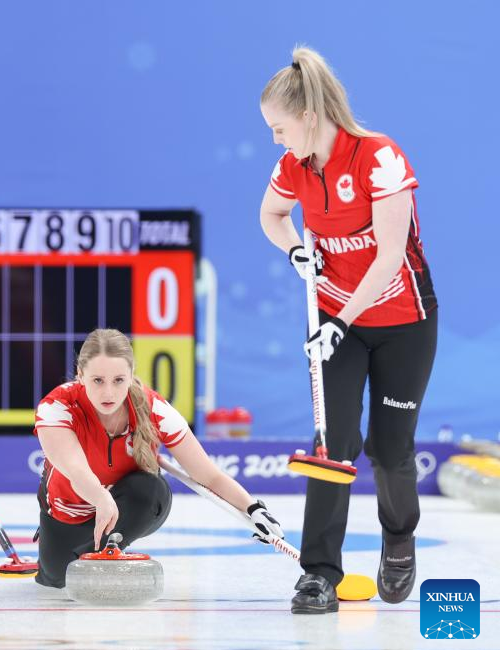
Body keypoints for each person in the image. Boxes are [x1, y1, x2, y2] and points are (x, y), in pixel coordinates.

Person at [259, 47, 437, 614]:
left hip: (402, 322)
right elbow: (271, 215)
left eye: (280, 128)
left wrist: (340, 320)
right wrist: (296, 252)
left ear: (309, 116)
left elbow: (389, 257)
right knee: (332, 444)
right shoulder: (295, 166)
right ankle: (319, 574)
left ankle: (399, 537)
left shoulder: (378, 157)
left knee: (390, 449)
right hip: (336, 322)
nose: (276, 140)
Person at [32, 328, 285, 589]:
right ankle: (68, 554)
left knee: (150, 489)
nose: (108, 393)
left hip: (121, 511)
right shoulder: (57, 407)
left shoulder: (154, 409)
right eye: (98, 380)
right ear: (80, 375)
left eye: (118, 380)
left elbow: (208, 475)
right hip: (67, 513)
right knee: (57, 579)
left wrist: (253, 509)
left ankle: (109, 551)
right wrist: (101, 498)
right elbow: (77, 471)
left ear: (131, 374)